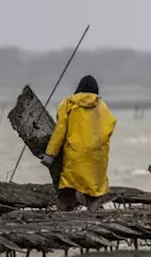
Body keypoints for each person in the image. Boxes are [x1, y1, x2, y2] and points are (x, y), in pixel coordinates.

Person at [42, 75, 117, 212]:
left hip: (74, 155)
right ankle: (93, 219)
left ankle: (63, 218)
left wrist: (50, 154)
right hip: (96, 158)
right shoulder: (102, 106)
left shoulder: (68, 104)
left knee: (67, 190)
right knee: (94, 194)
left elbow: (60, 131)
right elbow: (110, 127)